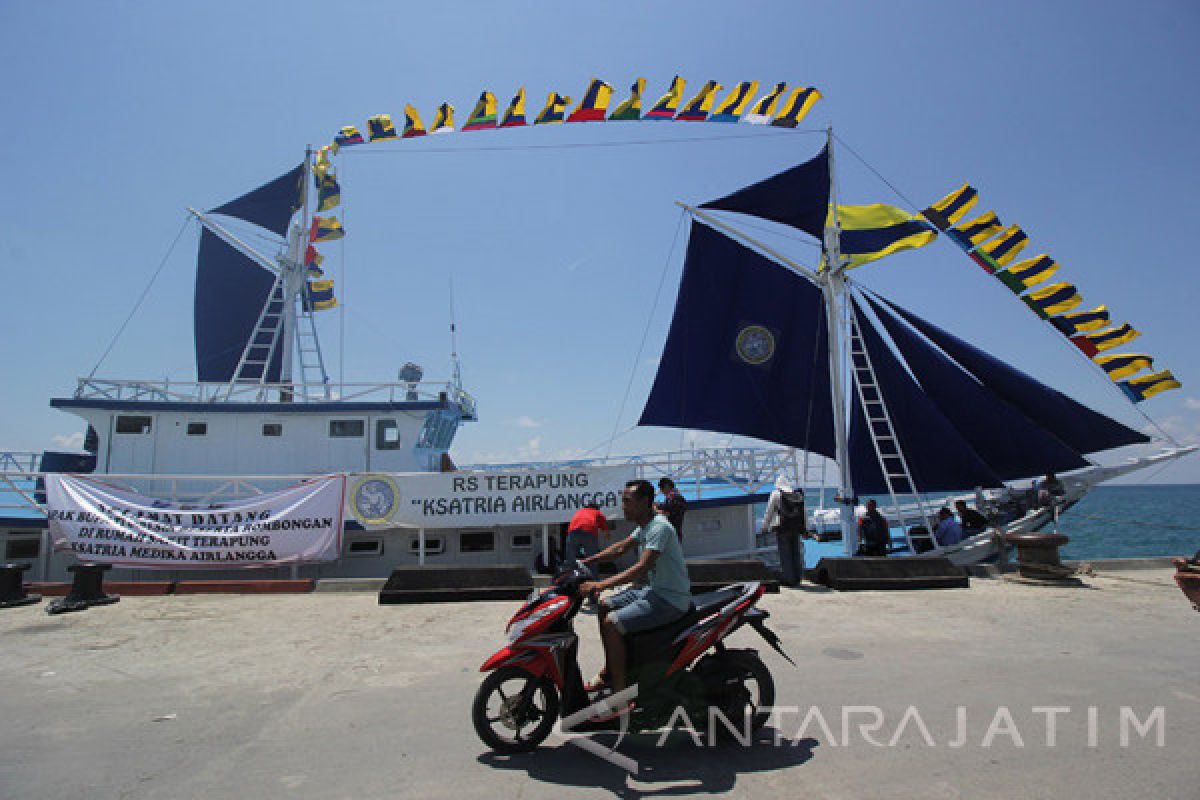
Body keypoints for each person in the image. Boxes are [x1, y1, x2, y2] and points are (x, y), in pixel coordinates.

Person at [579, 479, 691, 696]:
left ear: (645, 502)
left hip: (669, 598)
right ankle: (611, 671)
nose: (623, 506)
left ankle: (620, 694)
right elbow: (620, 548)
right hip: (652, 591)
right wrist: (587, 562)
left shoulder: (660, 528)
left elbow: (641, 567)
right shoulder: (646, 526)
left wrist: (599, 584)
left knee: (612, 624)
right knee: (604, 606)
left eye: (627, 501)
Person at [762, 476, 807, 585]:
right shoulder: (796, 494)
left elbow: (769, 512)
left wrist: (765, 527)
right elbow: (803, 513)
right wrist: (805, 528)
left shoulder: (776, 494)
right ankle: (798, 578)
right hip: (796, 528)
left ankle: (789, 579)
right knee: (795, 553)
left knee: (785, 554)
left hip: (782, 528)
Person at [564, 502, 609, 580]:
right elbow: (605, 530)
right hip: (589, 531)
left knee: (570, 558)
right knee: (592, 558)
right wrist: (607, 536)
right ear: (596, 508)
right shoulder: (597, 512)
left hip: (573, 531)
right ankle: (594, 581)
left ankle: (570, 579)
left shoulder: (580, 511)